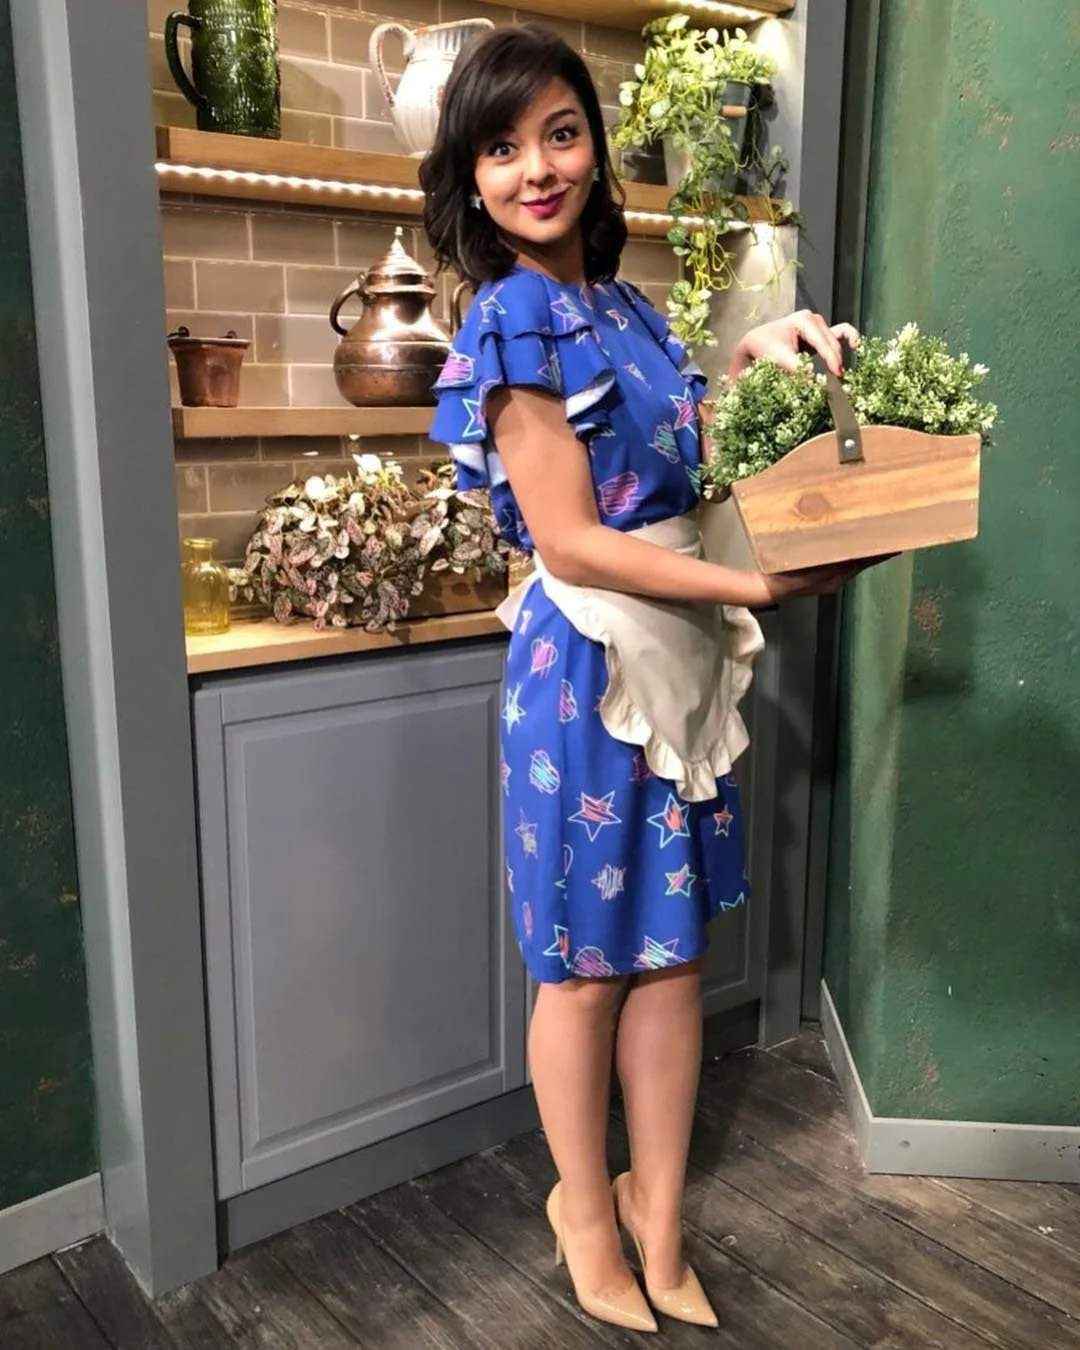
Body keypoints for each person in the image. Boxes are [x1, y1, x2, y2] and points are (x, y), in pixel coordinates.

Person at [421, 24, 860, 1335]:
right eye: (501, 147)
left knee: (670, 959)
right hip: (586, 676)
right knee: (586, 971)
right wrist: (756, 591)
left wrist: (754, 363)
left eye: (560, 133)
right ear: (471, 177)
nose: (536, 168)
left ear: (596, 149)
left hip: (671, 661)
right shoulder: (509, 317)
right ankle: (583, 1207)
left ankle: (659, 1217)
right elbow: (568, 538)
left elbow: (687, 461)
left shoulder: (627, 306)